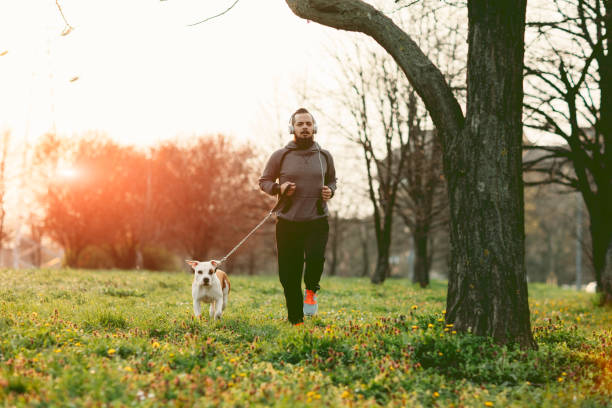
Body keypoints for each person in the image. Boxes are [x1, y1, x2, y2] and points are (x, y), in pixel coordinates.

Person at [259, 108, 337, 326]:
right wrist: (279, 188)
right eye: (300, 124)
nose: (305, 127)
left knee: (314, 260)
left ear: (314, 128)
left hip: (317, 220)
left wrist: (330, 191)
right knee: (288, 275)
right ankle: (296, 320)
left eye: (308, 124)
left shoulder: (324, 155)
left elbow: (333, 181)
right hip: (287, 223)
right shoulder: (280, 155)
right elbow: (263, 181)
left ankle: (311, 290)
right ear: (292, 128)